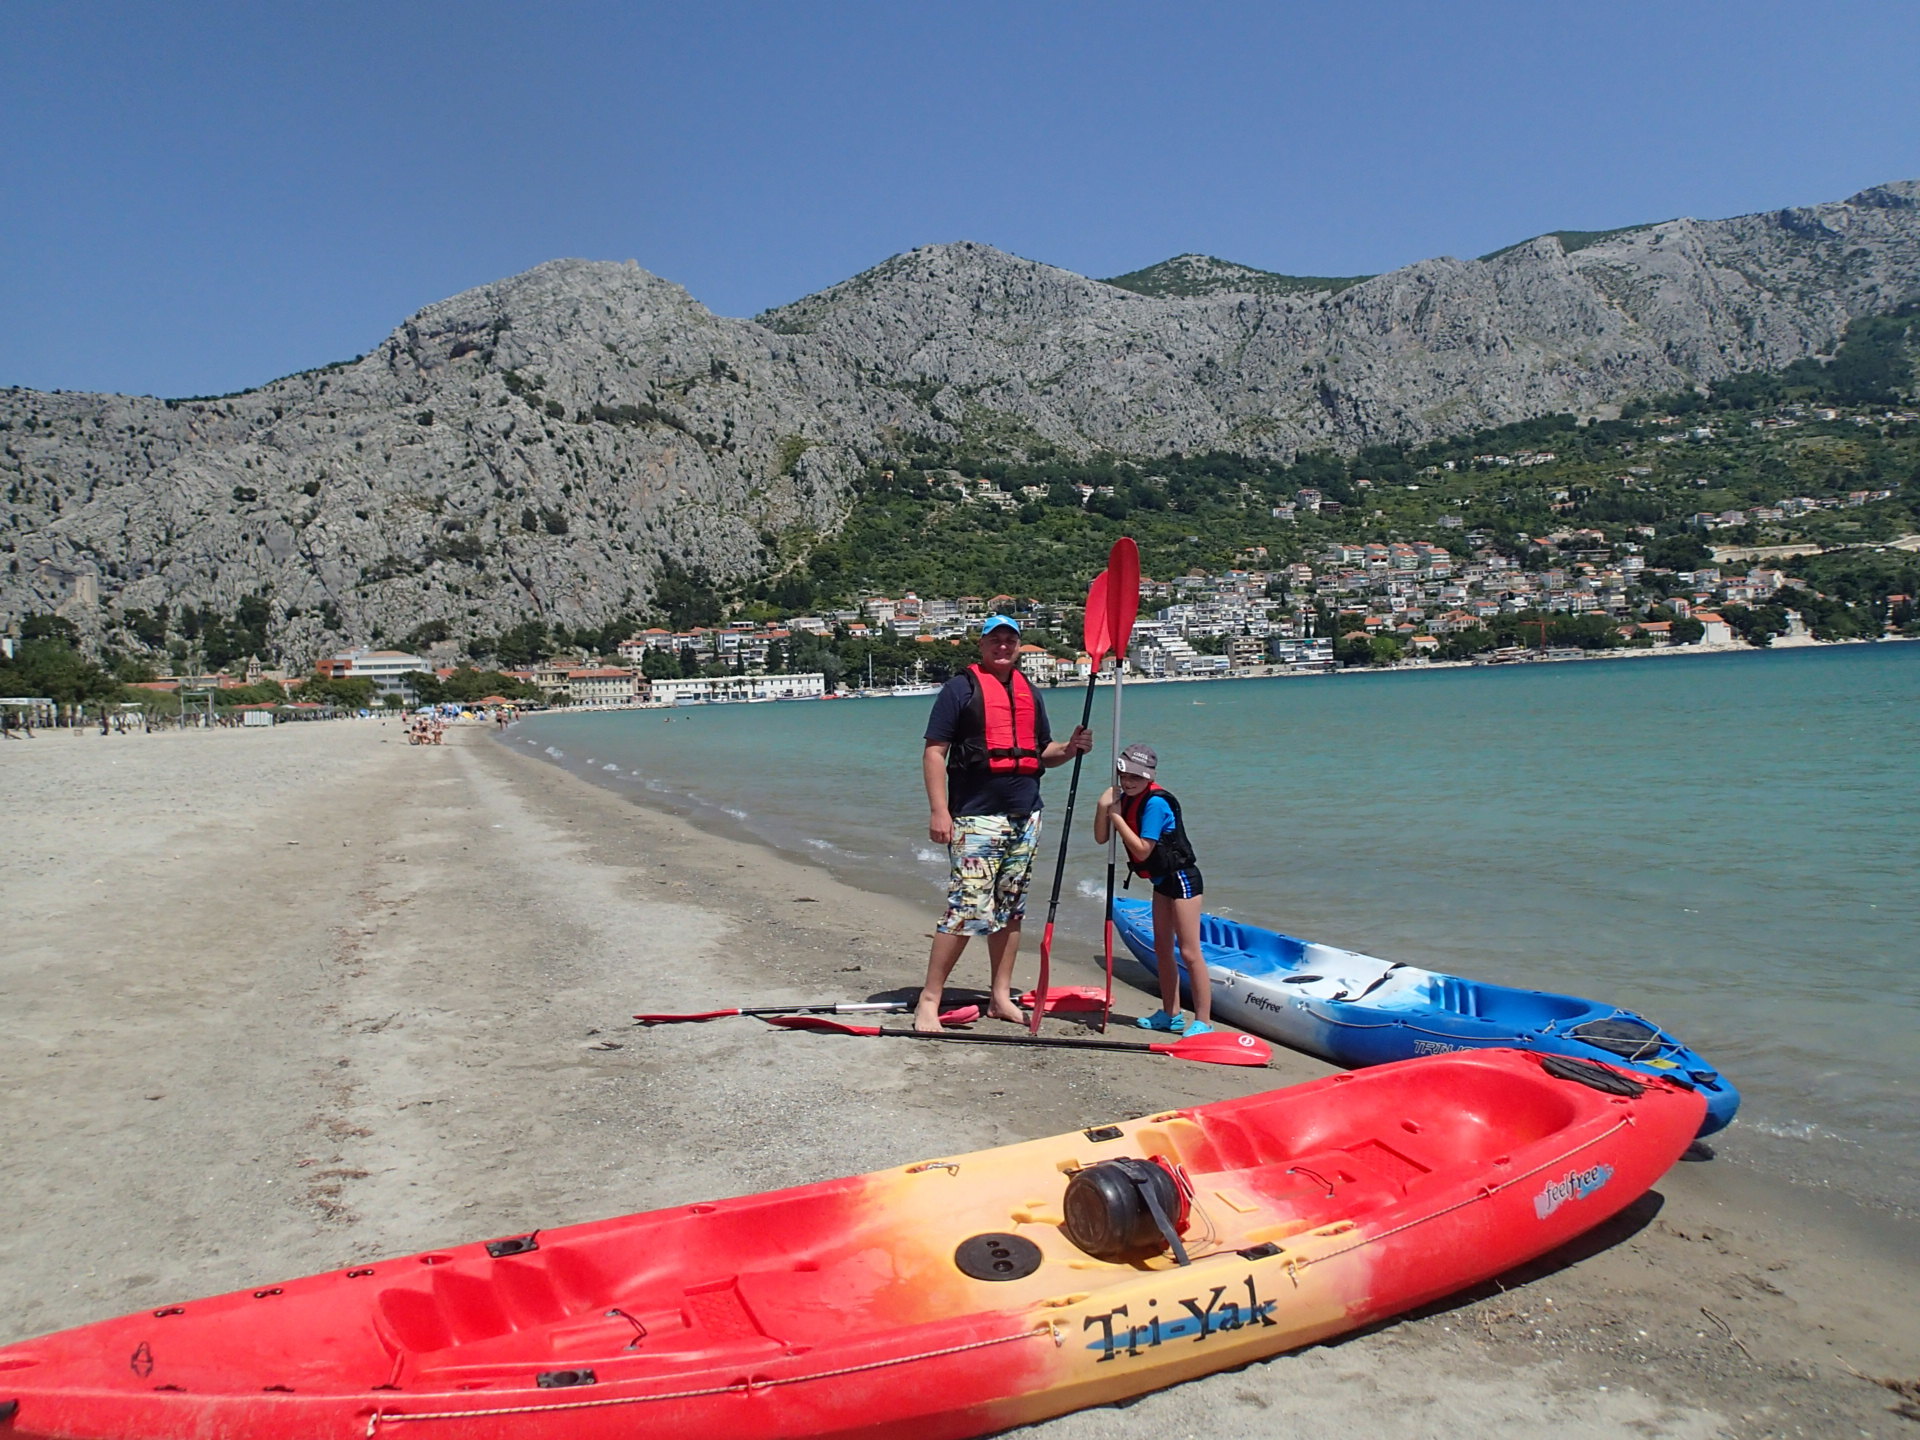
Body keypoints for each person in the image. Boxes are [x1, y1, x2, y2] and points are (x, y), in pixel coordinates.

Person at [916, 615, 1093, 1032]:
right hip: (976, 817)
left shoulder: (1030, 691)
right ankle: (929, 1000)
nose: (1003, 646)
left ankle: (1000, 996)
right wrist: (939, 811)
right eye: (995, 640)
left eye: (1010, 640)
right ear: (981, 645)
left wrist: (1070, 748)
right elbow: (934, 752)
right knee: (965, 909)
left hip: (1025, 815)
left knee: (1011, 910)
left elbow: (1042, 751)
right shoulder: (959, 689)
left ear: (1018, 646)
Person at [1094, 742, 1214, 1038]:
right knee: (1162, 949)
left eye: (1137, 777)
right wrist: (1103, 807)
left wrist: (1117, 818)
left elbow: (1144, 851)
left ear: (1150, 776)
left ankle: (1204, 1020)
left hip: (1183, 879)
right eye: (1125, 776)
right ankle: (1171, 1014)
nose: (1129, 782)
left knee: (1188, 951)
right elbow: (1100, 838)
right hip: (1162, 882)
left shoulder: (1156, 803)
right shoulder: (1125, 798)